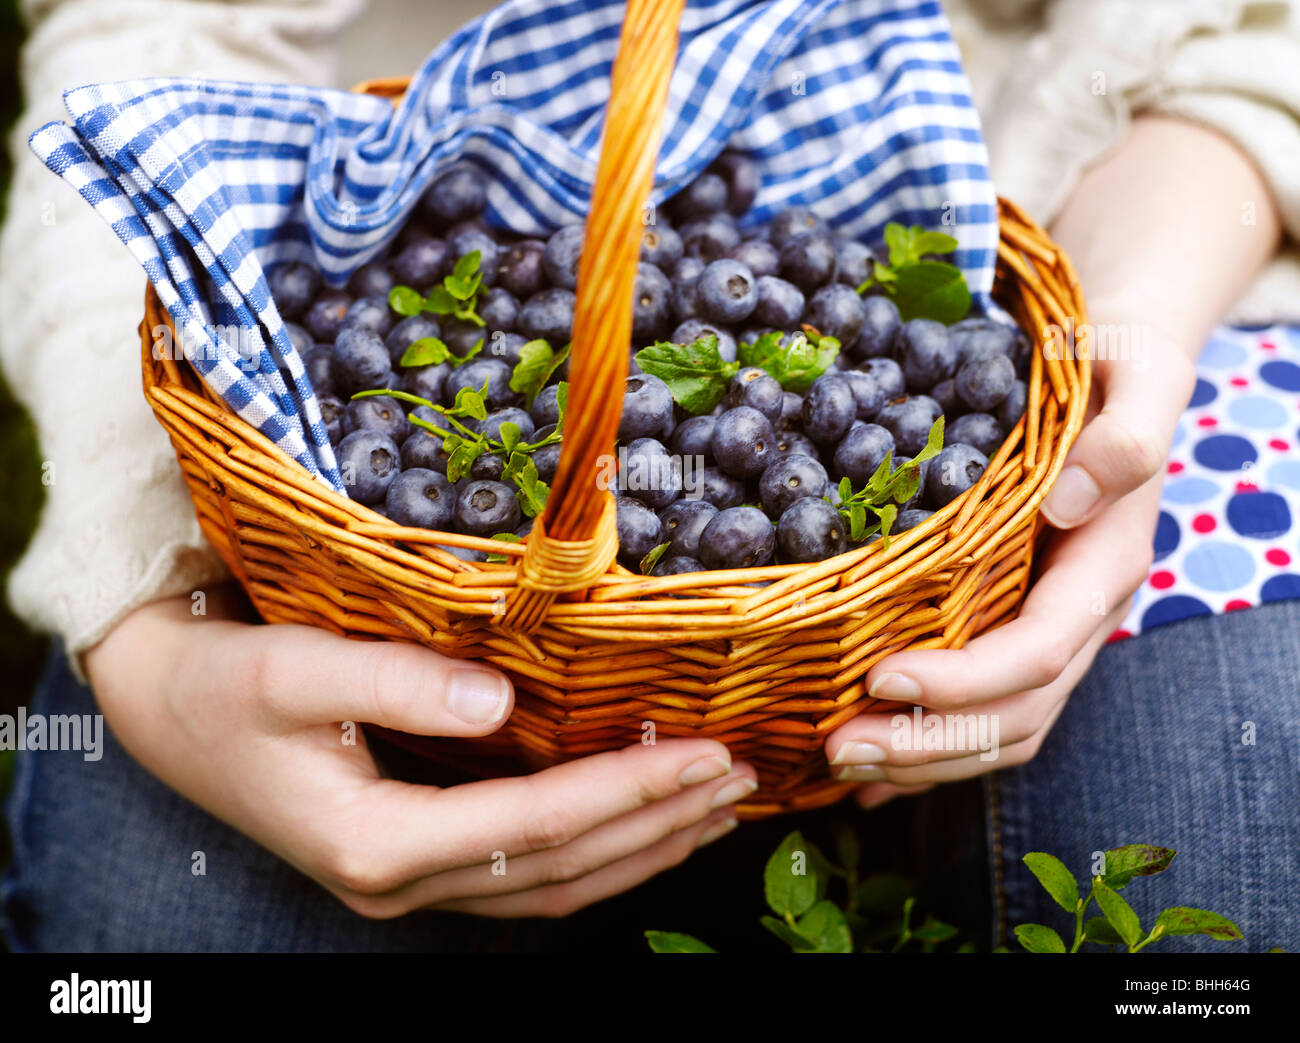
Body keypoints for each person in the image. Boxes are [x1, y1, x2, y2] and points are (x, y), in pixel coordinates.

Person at [3, 0, 1298, 952]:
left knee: (1219, 892)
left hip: (1108, 227)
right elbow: (147, 57)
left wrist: (1125, 343)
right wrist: (143, 608)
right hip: (406, 223)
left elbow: (1248, 41)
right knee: (151, 919)